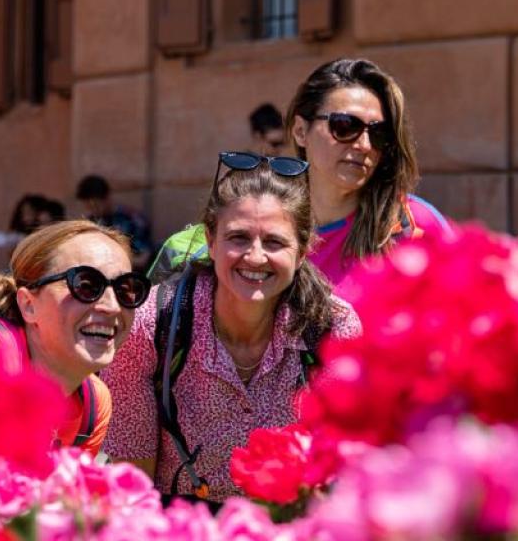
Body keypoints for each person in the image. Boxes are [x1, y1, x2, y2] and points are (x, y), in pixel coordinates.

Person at [101, 153, 360, 502]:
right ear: (210, 240)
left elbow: (340, 478)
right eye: (238, 238)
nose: (254, 256)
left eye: (274, 242)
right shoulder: (152, 324)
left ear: (302, 253)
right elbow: (133, 492)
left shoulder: (332, 328)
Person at [0, 220, 151, 455]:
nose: (112, 306)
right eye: (86, 285)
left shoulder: (94, 404)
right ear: (29, 305)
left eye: (126, 288)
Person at [286, 57, 452, 290]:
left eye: (377, 133)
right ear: (301, 131)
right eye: (345, 126)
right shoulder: (267, 227)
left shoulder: (413, 228)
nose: (364, 145)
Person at [76, 175, 153, 272]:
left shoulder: (132, 219)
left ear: (107, 197)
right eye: (89, 207)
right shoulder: (90, 222)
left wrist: (108, 260)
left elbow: (143, 259)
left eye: (96, 205)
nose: (93, 210)